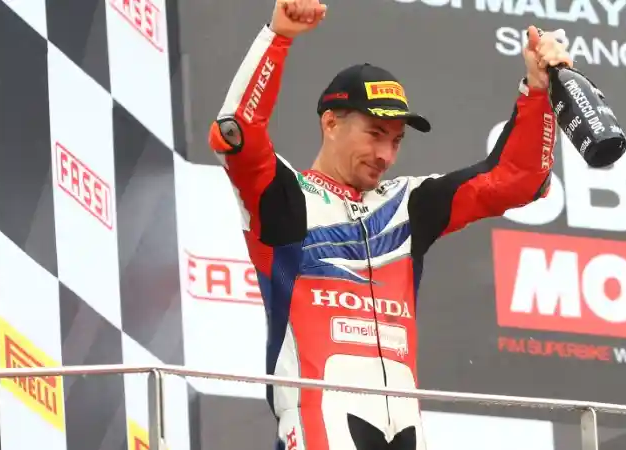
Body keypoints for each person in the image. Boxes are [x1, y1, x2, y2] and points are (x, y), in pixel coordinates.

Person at [207, 0, 572, 448]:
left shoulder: (408, 204)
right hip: (319, 416)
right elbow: (234, 132)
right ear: (330, 123)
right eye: (375, 134)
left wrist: (538, 90)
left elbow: (518, 180)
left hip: (405, 423)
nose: (386, 155)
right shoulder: (284, 200)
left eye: (396, 141)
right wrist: (277, 37)